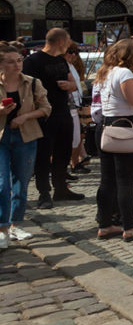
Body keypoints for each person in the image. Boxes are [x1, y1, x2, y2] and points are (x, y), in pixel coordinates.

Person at [94, 40, 133, 241]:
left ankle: (105, 225)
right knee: (125, 181)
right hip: (125, 128)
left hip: (105, 126)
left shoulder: (106, 72)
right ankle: (129, 227)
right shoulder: (125, 73)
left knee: (107, 179)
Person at [22, 28, 82, 208]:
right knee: (43, 155)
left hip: (63, 113)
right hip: (43, 115)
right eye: (68, 41)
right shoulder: (32, 61)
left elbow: (73, 85)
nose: (70, 44)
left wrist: (69, 85)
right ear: (61, 41)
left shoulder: (61, 61)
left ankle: (61, 188)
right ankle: (44, 193)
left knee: (63, 153)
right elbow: (26, 88)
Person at [0, 43, 51, 248]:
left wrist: (25, 117)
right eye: (11, 62)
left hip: (26, 135)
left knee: (21, 182)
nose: (17, 65)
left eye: (19, 60)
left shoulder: (32, 83)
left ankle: (15, 224)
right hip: (1, 137)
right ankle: (2, 228)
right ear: (1, 64)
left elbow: (46, 108)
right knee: (2, 183)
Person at [65, 43, 90, 175]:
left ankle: (74, 163)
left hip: (76, 106)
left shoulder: (71, 66)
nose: (73, 54)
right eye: (70, 51)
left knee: (78, 136)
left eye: (75, 52)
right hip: (68, 107)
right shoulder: (63, 66)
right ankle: (68, 166)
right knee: (71, 138)